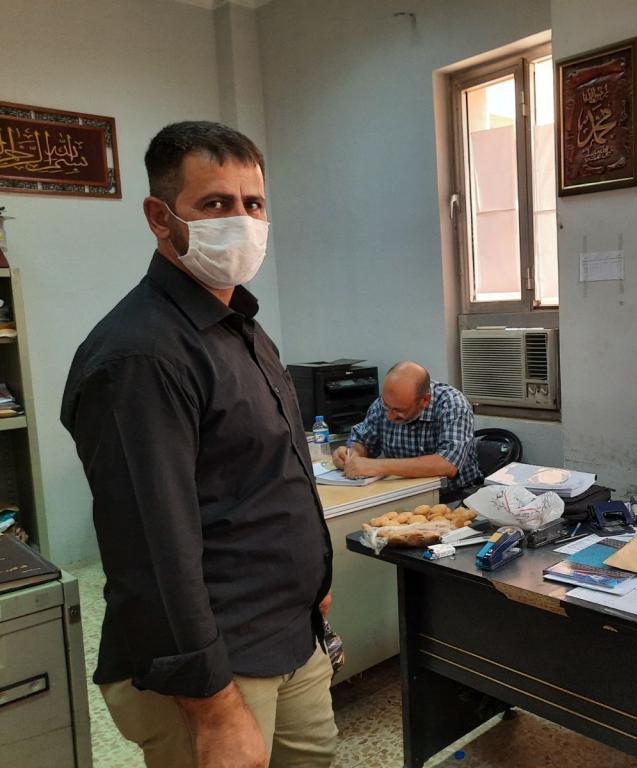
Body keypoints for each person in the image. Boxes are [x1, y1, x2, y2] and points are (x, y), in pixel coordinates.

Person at [61, 121, 337, 768]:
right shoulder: (141, 356)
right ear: (160, 217)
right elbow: (151, 548)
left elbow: (267, 478)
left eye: (253, 203)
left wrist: (312, 582)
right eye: (215, 203)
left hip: (289, 631)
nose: (241, 220)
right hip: (215, 666)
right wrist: (213, 707)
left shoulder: (240, 327)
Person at [332, 361, 483, 497]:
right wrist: (352, 455)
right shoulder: (387, 403)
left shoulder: (453, 405)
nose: (390, 415)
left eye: (399, 410)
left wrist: (378, 466)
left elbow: (447, 464)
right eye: (386, 406)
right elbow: (362, 440)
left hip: (453, 496)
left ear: (424, 400)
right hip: (403, 492)